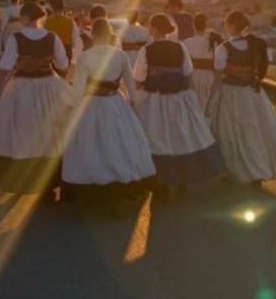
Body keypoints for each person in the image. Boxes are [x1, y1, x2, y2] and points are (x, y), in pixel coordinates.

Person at [60, 17, 156, 202]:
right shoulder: (119, 55)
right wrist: (133, 103)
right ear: (109, 34)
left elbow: (78, 90)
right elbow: (129, 84)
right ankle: (119, 178)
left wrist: (69, 109)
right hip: (114, 102)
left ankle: (92, 180)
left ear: (93, 34)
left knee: (90, 142)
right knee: (118, 141)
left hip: (90, 103)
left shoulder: (84, 57)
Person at [0, 0, 71, 194]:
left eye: (22, 16)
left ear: (26, 17)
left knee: (20, 135)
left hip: (21, 88)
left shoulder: (16, 38)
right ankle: (49, 183)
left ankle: (23, 181)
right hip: (48, 85)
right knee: (49, 134)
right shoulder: (52, 37)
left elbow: (5, 69)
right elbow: (63, 65)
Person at [133, 13, 224, 190]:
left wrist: (138, 95)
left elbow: (138, 77)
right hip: (179, 97)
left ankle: (160, 179)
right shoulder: (179, 47)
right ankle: (183, 178)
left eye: (151, 26)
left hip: (154, 98)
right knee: (180, 136)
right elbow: (187, 73)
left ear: (157, 28)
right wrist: (188, 95)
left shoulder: (147, 49)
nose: (149, 29)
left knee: (157, 137)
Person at [208, 10, 276, 183]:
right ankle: (258, 166)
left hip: (230, 93)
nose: (225, 25)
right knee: (254, 130)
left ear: (232, 25)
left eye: (226, 22)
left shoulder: (223, 48)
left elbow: (218, 77)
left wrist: (210, 100)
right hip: (251, 92)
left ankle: (234, 169)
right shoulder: (254, 44)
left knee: (230, 131)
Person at [182, 13, 220, 113]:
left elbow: (185, 66)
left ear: (193, 25)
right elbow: (216, 65)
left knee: (194, 108)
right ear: (206, 25)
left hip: (193, 78)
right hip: (208, 77)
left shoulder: (187, 42)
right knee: (207, 106)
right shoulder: (213, 41)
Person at [46, 0, 82, 64]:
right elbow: (75, 40)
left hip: (51, 51)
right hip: (66, 50)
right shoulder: (70, 22)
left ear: (52, 8)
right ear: (63, 8)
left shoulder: (47, 22)